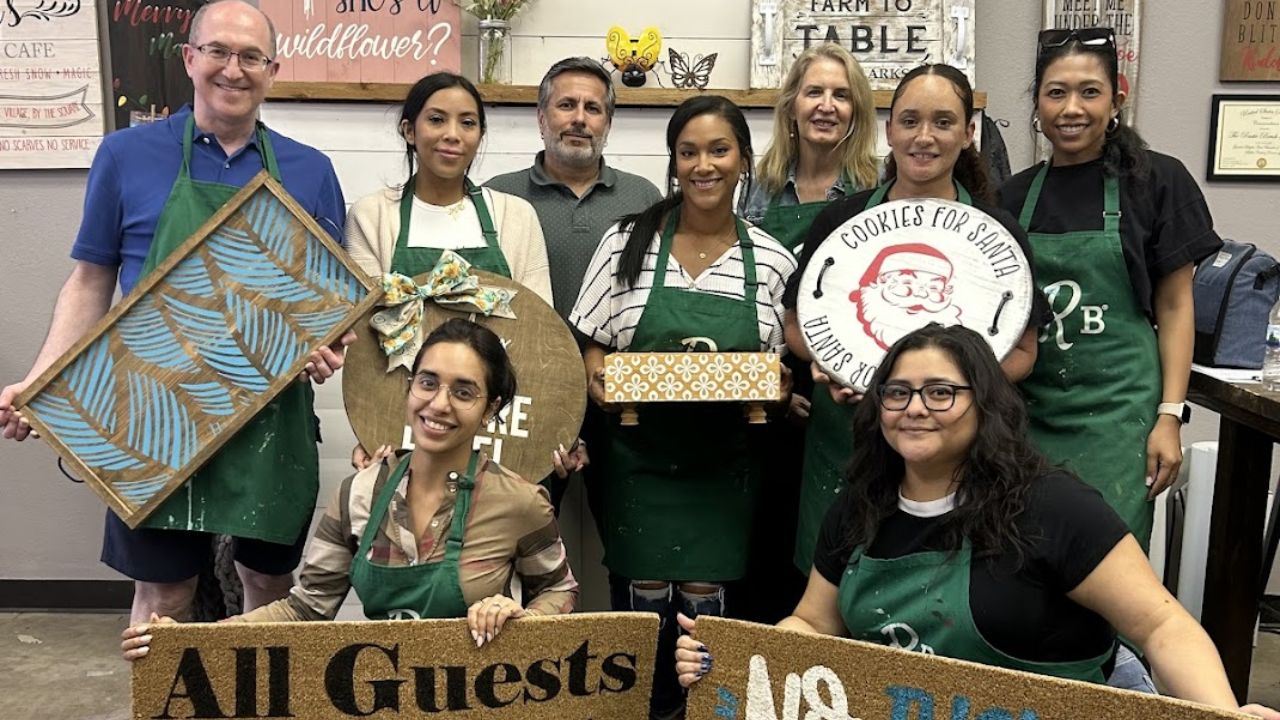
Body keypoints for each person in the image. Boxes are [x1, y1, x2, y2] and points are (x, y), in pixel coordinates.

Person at [674, 324, 1279, 720]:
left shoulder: (1052, 506)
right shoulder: (859, 508)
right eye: (897, 392)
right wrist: (733, 656)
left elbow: (1160, 626)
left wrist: (1224, 714)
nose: (915, 408)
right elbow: (813, 622)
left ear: (984, 405)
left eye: (941, 392)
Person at [0, 0, 350, 625]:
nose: (233, 69)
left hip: (269, 424)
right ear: (189, 59)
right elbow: (90, 282)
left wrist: (327, 346)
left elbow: (328, 301)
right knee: (163, 597)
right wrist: (43, 379)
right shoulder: (124, 156)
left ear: (273, 70)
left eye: (251, 57)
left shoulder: (311, 170)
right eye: (218, 51)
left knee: (269, 587)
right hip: (152, 412)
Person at [122, 319, 579, 658]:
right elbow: (304, 610)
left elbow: (560, 589)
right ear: (408, 388)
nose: (438, 404)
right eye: (427, 382)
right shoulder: (358, 495)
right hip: (385, 690)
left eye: (464, 392)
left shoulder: (519, 501)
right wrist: (190, 639)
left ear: (489, 408)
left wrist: (525, 618)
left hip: (479, 696)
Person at [569, 95, 797, 720]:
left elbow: (778, 369)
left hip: (725, 474)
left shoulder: (772, 261)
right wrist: (600, 381)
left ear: (743, 160)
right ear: (673, 162)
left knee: (709, 636)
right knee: (643, 631)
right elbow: (591, 347)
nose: (703, 165)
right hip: (639, 469)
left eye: (718, 150)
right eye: (688, 152)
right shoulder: (626, 245)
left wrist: (772, 390)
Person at [782, 63, 1045, 578]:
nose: (924, 137)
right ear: (888, 130)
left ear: (970, 134)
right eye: (910, 121)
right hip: (846, 444)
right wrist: (830, 368)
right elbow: (797, 324)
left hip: (955, 457)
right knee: (833, 595)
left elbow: (1022, 353)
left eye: (944, 122)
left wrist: (935, 394)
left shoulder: (998, 235)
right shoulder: (839, 222)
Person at [999, 27, 1220, 553]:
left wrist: (1170, 417)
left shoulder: (1157, 181)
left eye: (1089, 92)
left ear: (1116, 100)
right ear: (1037, 103)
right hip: (1028, 415)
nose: (1071, 108)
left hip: (1119, 417)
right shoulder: (1013, 195)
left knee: (1106, 559)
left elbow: (1175, 306)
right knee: (1024, 555)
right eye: (1056, 93)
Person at [344, 71, 560, 470]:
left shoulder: (515, 216)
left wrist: (551, 432)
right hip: (406, 429)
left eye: (468, 122)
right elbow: (365, 351)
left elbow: (539, 340)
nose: (453, 134)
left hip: (502, 433)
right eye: (437, 119)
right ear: (409, 130)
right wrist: (370, 428)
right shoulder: (372, 215)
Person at [735, 43, 880, 622]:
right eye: (814, 92)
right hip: (765, 397)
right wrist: (772, 383)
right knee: (766, 548)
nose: (826, 106)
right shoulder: (756, 192)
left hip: (849, 400)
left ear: (858, 110)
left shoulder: (878, 192)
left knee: (840, 542)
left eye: (841, 95)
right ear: (791, 105)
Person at [485, 56, 661, 513]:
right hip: (526, 396)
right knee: (517, 535)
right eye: (566, 105)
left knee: (633, 538)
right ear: (541, 118)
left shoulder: (644, 199)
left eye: (593, 108)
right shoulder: (495, 197)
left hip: (620, 398)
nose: (579, 118)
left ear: (609, 122)